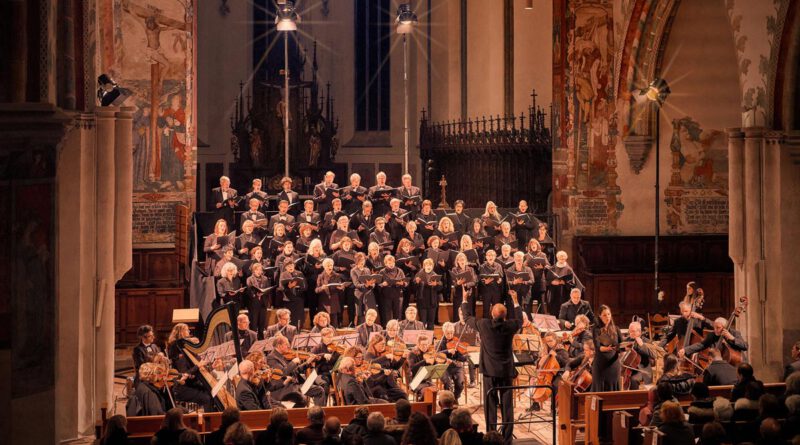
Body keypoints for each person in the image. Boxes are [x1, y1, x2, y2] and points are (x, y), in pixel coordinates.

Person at [459, 288, 527, 444]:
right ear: (504, 316)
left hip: (489, 371)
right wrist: (515, 301)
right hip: (506, 372)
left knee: (490, 406)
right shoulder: (511, 326)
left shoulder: (484, 325)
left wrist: (464, 298)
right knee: (507, 406)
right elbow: (520, 320)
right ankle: (507, 439)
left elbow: (467, 316)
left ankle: (491, 438)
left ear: (492, 314)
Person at [267, 336, 328, 406]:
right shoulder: (271, 358)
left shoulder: (283, 356)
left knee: (319, 390)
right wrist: (293, 362)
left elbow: (295, 371)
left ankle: (318, 413)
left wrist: (307, 363)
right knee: (302, 399)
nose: (288, 346)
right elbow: (283, 373)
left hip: (294, 385)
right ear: (279, 346)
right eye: (286, 344)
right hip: (284, 389)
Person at [167, 323, 213, 410]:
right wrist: (198, 366)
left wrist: (211, 365)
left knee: (211, 391)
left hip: (190, 383)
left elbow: (199, 364)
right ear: (181, 332)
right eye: (187, 329)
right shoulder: (178, 351)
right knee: (207, 398)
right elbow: (184, 373)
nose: (189, 331)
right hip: (182, 386)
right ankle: (208, 420)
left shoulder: (186, 349)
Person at [679, 317, 748, 360]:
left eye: (718, 328)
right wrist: (685, 350)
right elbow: (701, 345)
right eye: (714, 327)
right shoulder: (712, 335)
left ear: (725, 327)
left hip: (738, 364)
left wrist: (732, 338)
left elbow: (745, 346)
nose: (715, 330)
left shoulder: (734, 333)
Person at [591, 304, 622, 391]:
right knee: (600, 390)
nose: (607, 317)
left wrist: (626, 347)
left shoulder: (616, 329)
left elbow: (621, 346)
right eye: (604, 315)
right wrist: (606, 348)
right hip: (601, 365)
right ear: (600, 316)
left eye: (609, 314)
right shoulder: (596, 330)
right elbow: (598, 347)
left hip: (614, 365)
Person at [545, 250, 583, 315]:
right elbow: (547, 280)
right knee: (554, 311)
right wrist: (552, 282)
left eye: (563, 258)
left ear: (565, 258)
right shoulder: (552, 268)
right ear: (557, 258)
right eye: (560, 258)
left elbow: (572, 283)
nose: (561, 259)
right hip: (554, 293)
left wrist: (564, 282)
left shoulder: (568, 269)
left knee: (563, 311)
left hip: (564, 293)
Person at [437, 323, 467, 401]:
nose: (450, 335)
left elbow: (462, 358)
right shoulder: (440, 343)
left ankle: (455, 398)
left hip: (456, 366)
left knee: (460, 385)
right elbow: (436, 354)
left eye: (451, 333)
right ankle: (449, 401)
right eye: (447, 333)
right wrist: (448, 351)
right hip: (444, 367)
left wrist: (464, 357)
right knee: (448, 384)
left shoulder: (457, 342)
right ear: (443, 332)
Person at [621, 321, 653, 389]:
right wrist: (624, 349)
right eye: (630, 331)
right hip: (629, 369)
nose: (631, 334)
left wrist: (642, 346)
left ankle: (635, 398)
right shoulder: (628, 340)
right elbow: (620, 349)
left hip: (643, 370)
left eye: (633, 331)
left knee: (633, 380)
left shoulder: (646, 341)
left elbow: (652, 355)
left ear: (639, 331)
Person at [315, 258, 347, 327]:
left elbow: (340, 286)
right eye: (328, 265)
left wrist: (341, 288)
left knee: (334, 323)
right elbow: (316, 290)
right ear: (324, 266)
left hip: (334, 302)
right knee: (323, 324)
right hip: (324, 302)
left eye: (331, 265)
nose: (330, 267)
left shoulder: (337, 275)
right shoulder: (320, 276)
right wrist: (322, 288)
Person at [414, 258, 443, 329]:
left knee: (431, 322)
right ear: (424, 266)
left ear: (432, 266)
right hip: (422, 301)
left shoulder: (435, 275)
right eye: (427, 265)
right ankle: (422, 338)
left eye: (430, 265)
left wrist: (436, 284)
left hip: (432, 302)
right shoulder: (419, 274)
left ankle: (431, 338)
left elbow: (441, 287)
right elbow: (413, 287)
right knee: (422, 322)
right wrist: (417, 283)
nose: (429, 266)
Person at [277, 260, 307, 329]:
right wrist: (289, 287)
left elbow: (305, 286)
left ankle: (298, 331)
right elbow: (281, 288)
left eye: (292, 265)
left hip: (298, 298)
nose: (290, 267)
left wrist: (298, 287)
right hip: (288, 299)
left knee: (299, 317)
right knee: (291, 317)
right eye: (288, 266)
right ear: (285, 267)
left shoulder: (299, 273)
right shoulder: (283, 274)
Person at [245, 262, 271, 339]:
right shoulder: (249, 279)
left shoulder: (265, 278)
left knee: (262, 324)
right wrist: (255, 294)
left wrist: (263, 293)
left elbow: (268, 290)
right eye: (257, 270)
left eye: (260, 270)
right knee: (253, 324)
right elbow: (249, 291)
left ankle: (261, 341)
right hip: (253, 304)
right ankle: (253, 340)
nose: (259, 271)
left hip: (263, 303)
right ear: (254, 270)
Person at [378, 255, 406, 323]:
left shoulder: (399, 271)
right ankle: (388, 329)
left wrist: (402, 283)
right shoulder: (382, 272)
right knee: (387, 315)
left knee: (397, 314)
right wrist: (383, 284)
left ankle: (397, 329)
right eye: (389, 263)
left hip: (397, 295)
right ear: (385, 263)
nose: (391, 264)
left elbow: (405, 283)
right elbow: (378, 284)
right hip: (386, 296)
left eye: (392, 262)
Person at [406, 334, 436, 399]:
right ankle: (422, 405)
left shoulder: (429, 353)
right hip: (416, 381)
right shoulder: (412, 354)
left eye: (426, 344)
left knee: (434, 391)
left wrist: (435, 362)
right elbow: (412, 368)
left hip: (427, 380)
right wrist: (424, 361)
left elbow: (434, 367)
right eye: (423, 345)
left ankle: (430, 407)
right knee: (426, 392)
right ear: (418, 344)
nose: (425, 346)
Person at [352, 251, 378, 323]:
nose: (362, 262)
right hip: (359, 294)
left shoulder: (367, 269)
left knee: (369, 312)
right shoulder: (353, 270)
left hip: (368, 293)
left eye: (363, 260)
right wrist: (365, 285)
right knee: (360, 313)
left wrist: (372, 284)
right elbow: (356, 284)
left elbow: (371, 282)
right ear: (357, 261)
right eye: (360, 260)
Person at [478, 250, 505, 318]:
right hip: (486, 291)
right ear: (486, 257)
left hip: (496, 291)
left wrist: (499, 280)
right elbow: (481, 279)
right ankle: (485, 325)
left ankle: (496, 325)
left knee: (496, 310)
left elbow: (501, 278)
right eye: (489, 255)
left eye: (492, 255)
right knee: (486, 310)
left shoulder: (498, 266)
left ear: (495, 257)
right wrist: (485, 282)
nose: (491, 257)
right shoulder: (482, 266)